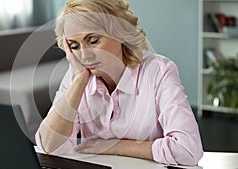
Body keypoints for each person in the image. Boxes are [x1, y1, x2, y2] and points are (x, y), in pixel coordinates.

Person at [35, 0, 203, 166]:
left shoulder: (159, 71)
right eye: (74, 45)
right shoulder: (77, 74)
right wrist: (79, 80)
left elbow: (187, 149)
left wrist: (116, 146)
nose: (85, 56)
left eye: (93, 41)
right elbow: (49, 145)